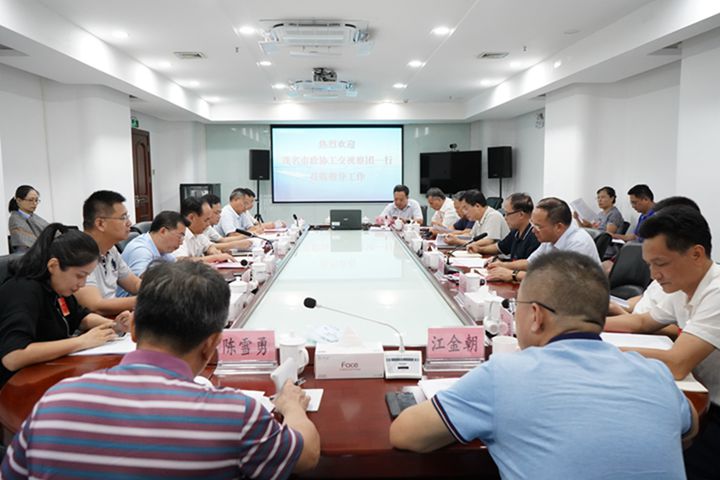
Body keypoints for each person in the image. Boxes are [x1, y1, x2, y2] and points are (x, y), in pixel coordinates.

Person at [389, 251, 697, 479]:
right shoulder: (654, 373)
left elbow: (405, 434)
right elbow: (690, 427)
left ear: (536, 316)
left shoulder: (505, 375)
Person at [1, 261, 320, 478]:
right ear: (212, 343)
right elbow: (306, 457)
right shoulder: (236, 414)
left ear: (133, 328)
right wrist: (293, 407)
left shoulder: (54, 402)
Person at [602, 205, 719, 478]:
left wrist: (598, 350)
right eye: (650, 265)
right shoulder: (682, 285)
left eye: (661, 264)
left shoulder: (716, 292)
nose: (654, 275)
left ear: (696, 254)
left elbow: (677, 364)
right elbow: (641, 322)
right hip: (697, 396)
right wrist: (578, 327)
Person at [0, 224, 123, 387]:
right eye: (80, 275)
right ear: (53, 265)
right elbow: (13, 357)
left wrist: (114, 325)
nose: (83, 284)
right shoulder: (23, 290)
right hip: (15, 385)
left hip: (45, 372)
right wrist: (82, 342)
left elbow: (80, 317)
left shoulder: (56, 286)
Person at [486, 197, 600, 283]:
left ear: (558, 227)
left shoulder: (578, 243)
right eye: (533, 224)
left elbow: (557, 278)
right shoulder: (550, 239)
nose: (533, 230)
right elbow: (531, 262)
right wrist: (502, 265)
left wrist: (513, 274)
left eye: (538, 226)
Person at [75, 190, 142, 316]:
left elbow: (134, 284)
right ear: (100, 223)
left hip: (115, 318)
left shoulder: (111, 249)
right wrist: (148, 300)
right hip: (95, 323)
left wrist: (160, 291)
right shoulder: (78, 252)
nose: (129, 223)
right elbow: (95, 306)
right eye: (123, 218)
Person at [117, 211, 187, 296]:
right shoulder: (141, 249)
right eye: (180, 236)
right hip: (130, 300)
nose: (181, 242)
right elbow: (145, 284)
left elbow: (176, 266)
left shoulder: (161, 248)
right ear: (163, 231)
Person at [469, 193, 540, 262]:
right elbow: (499, 248)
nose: (505, 218)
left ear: (521, 214)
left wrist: (502, 264)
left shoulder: (535, 236)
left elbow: (527, 265)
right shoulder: (516, 232)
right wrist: (479, 249)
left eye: (507, 214)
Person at [173, 196, 236, 263]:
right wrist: (215, 257)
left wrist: (212, 251)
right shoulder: (179, 235)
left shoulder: (197, 233)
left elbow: (208, 246)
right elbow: (181, 260)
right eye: (206, 220)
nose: (208, 224)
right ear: (191, 217)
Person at [7, 185, 49, 253]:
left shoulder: (33, 216)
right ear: (19, 200)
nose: (34, 203)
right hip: (30, 256)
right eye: (30, 200)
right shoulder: (15, 220)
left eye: (36, 200)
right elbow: (27, 246)